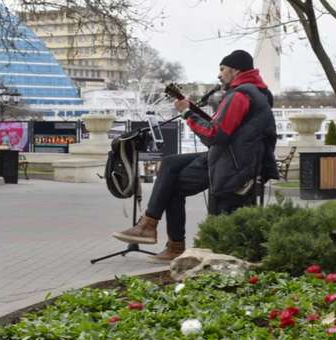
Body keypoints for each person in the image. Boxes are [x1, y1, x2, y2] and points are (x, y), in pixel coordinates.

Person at [112, 49, 278, 263]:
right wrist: (192, 111)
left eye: (222, 69)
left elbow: (215, 134)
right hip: (235, 158)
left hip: (231, 164)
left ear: (235, 70)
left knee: (170, 184)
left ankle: (162, 237)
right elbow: (228, 128)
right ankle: (152, 228)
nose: (219, 75)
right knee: (170, 164)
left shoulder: (239, 95)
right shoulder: (258, 93)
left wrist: (187, 114)